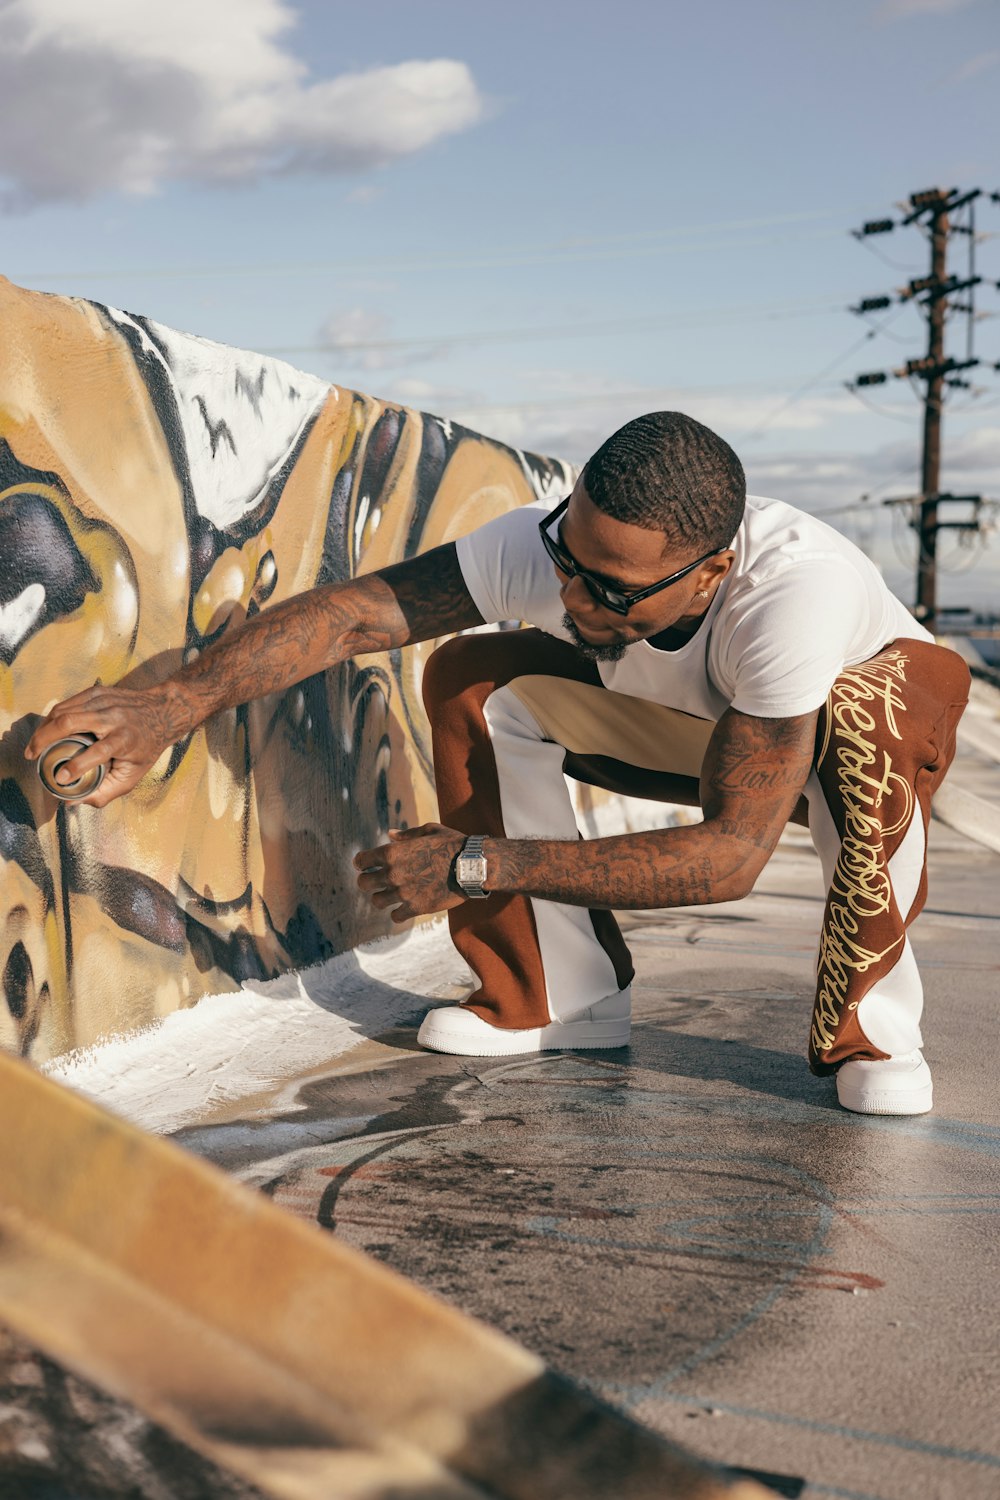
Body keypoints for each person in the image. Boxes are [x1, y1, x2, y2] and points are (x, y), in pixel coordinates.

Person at [26, 411, 970, 1115]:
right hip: (703, 727)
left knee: (861, 724)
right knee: (477, 676)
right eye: (567, 559)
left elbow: (731, 857)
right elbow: (356, 614)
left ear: (713, 573)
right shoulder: (555, 550)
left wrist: (474, 862)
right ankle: (558, 992)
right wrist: (168, 705)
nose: (575, 598)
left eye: (612, 591)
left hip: (860, 727)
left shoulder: (791, 598)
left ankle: (874, 1037)